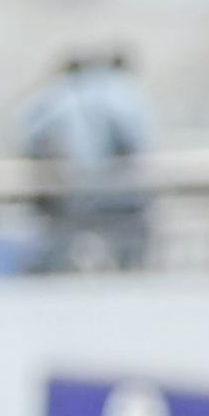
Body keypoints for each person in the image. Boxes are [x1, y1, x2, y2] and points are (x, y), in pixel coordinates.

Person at [25, 44, 157, 272]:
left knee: (60, 243)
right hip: (114, 186)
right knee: (128, 248)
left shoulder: (54, 96)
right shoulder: (123, 92)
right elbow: (133, 140)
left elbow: (32, 135)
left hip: (69, 186)